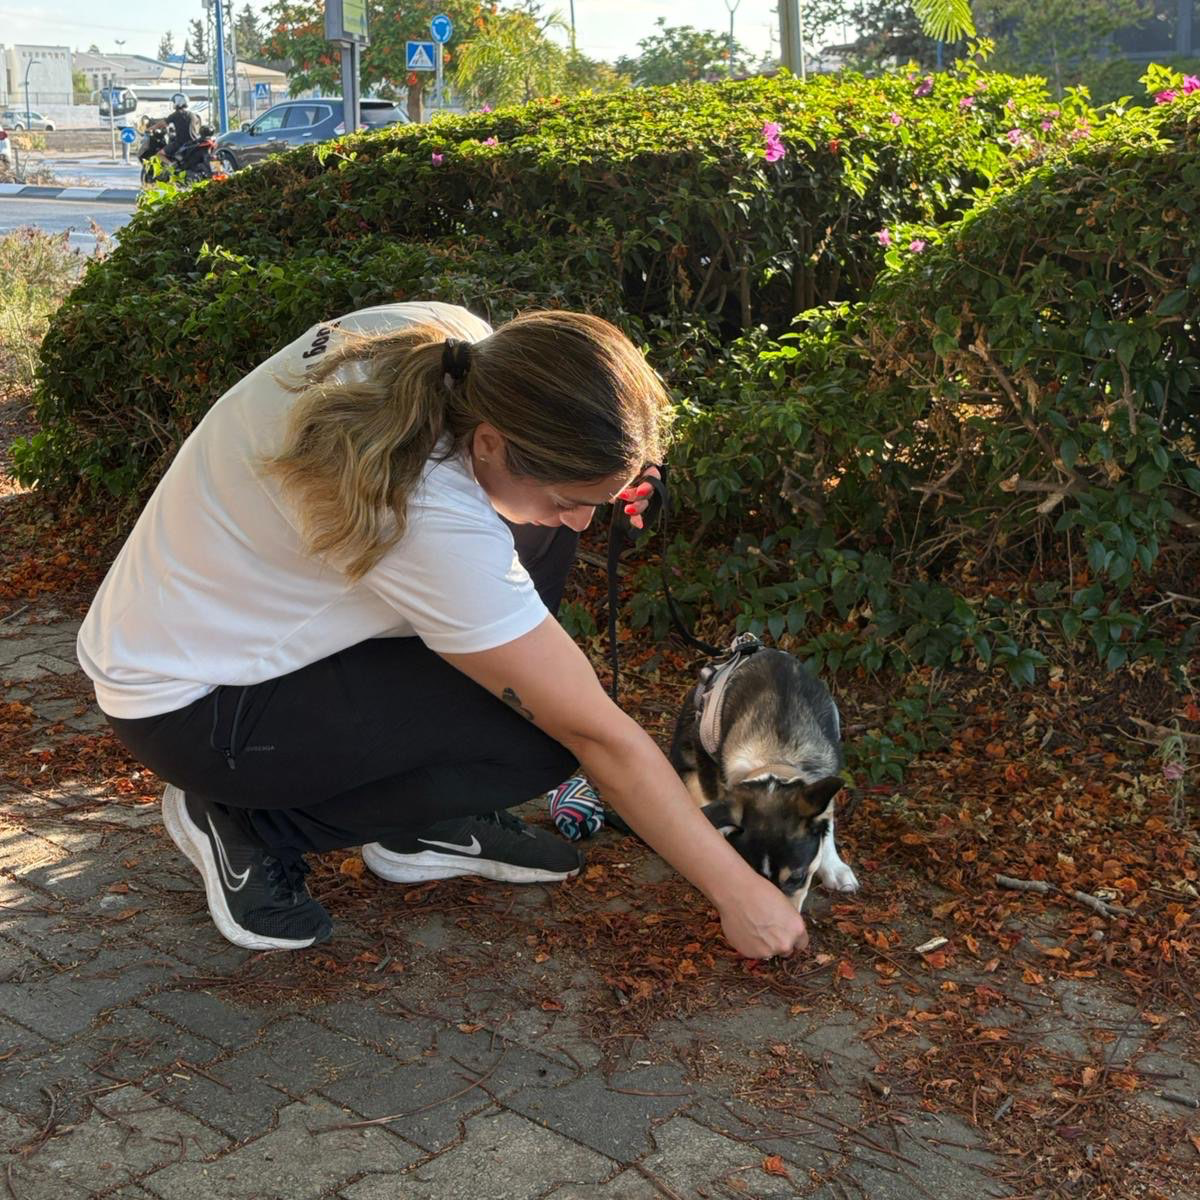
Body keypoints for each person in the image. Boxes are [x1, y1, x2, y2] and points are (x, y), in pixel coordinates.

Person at [77, 301, 810, 963]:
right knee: (543, 736)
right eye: (577, 498)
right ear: (490, 443)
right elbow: (599, 736)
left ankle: (420, 824)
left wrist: (586, 489)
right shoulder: (424, 513)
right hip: (195, 705)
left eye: (607, 499)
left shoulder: (452, 347)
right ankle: (249, 825)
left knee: (539, 539)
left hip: (211, 626)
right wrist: (736, 891)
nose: (592, 521)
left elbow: (521, 515)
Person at [163, 93, 200, 159]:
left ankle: (170, 168)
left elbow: (163, 123)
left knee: (160, 154)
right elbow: (196, 125)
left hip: (181, 143)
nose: (173, 103)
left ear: (178, 102)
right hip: (194, 142)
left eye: (174, 101)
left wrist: (150, 128)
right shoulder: (192, 114)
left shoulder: (176, 114)